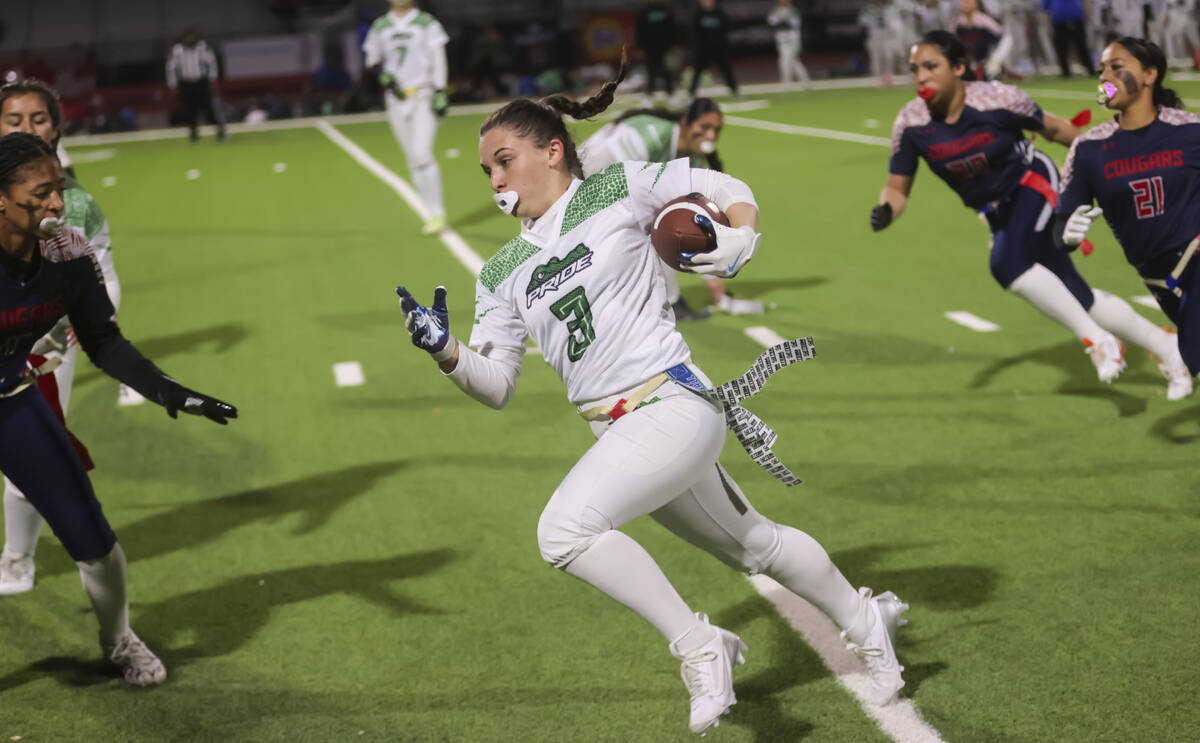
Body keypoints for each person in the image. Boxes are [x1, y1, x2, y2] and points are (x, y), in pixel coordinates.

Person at [394, 65, 909, 735]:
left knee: (563, 530)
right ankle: (867, 618)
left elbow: (723, 186)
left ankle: (701, 645)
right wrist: (447, 351)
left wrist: (740, 236)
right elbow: (497, 386)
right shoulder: (499, 272)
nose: (494, 179)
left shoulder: (617, 187)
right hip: (621, 433)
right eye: (486, 169)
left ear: (552, 150)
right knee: (756, 544)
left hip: (671, 403)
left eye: (503, 160)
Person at [0, 131, 237, 684]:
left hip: (10, 399)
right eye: (40, 194)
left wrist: (168, 390)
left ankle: (119, 639)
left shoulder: (67, 252)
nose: (55, 203)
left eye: (57, 188)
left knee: (93, 538)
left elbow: (102, 340)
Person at [871, 31, 1190, 398]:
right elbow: (897, 188)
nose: (921, 77)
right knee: (1077, 297)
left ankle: (1100, 342)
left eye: (931, 66)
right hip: (994, 213)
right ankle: (1168, 347)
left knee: (1006, 263)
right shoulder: (910, 123)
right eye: (914, 70)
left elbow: (1057, 130)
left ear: (959, 68)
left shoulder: (995, 98)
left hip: (1034, 183)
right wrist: (885, 210)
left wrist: (1112, 161)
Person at [1054, 38, 1200, 385]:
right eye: (1103, 68)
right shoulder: (1089, 149)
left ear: (1150, 75)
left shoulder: (1191, 131)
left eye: (1117, 67)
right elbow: (1060, 228)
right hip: (1162, 280)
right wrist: (1066, 234)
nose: (1105, 75)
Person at [578, 98, 764, 318]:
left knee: (663, 221)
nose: (711, 136)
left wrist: (714, 274)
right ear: (686, 123)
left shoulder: (692, 160)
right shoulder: (653, 136)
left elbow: (697, 216)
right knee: (657, 226)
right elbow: (608, 172)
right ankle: (668, 301)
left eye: (716, 130)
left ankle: (661, 300)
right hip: (584, 181)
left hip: (609, 185)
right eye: (705, 127)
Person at [362, 0, 450, 236]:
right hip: (396, 99)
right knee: (412, 159)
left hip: (423, 94)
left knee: (422, 153)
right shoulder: (381, 26)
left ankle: (439, 212)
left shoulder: (426, 22)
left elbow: (438, 57)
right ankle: (431, 212)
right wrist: (383, 76)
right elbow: (372, 58)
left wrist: (441, 90)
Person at [165, 28, 226, 143]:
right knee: (189, 109)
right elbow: (171, 68)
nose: (190, 39)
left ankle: (219, 130)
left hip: (201, 82)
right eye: (188, 37)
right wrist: (172, 84)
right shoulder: (177, 51)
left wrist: (213, 79)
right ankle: (193, 133)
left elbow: (211, 63)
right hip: (186, 83)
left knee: (209, 107)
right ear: (183, 38)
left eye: (192, 36)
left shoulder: (202, 47)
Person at [688, 0, 740, 98]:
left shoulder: (720, 13)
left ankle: (735, 91)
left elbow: (726, 28)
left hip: (719, 48)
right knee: (698, 72)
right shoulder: (697, 15)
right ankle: (691, 93)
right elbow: (694, 33)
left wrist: (722, 43)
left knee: (727, 70)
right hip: (703, 49)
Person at [954, 0, 1014, 79]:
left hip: (986, 61)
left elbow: (1005, 38)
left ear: (976, 4)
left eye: (968, 2)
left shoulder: (984, 20)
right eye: (963, 2)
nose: (965, 4)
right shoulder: (959, 21)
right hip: (970, 61)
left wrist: (996, 59)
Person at [636, 0, 680, 105]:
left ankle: (671, 95)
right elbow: (639, 30)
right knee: (651, 72)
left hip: (664, 47)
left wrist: (673, 43)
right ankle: (648, 96)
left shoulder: (665, 9)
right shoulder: (644, 11)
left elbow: (672, 27)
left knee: (666, 72)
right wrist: (640, 46)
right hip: (649, 47)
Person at [1041, 0, 1095, 77]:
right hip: (1059, 22)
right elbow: (1045, 9)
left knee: (1082, 47)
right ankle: (1066, 72)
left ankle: (1090, 69)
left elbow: (1084, 2)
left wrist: (1088, 15)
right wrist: (1046, 25)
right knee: (1061, 49)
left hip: (1076, 19)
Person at [768, 0, 812, 87]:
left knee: (790, 62)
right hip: (781, 41)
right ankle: (800, 82)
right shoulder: (776, 11)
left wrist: (797, 46)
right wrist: (781, 20)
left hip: (792, 41)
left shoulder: (793, 11)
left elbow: (795, 25)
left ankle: (790, 83)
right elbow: (772, 22)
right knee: (787, 62)